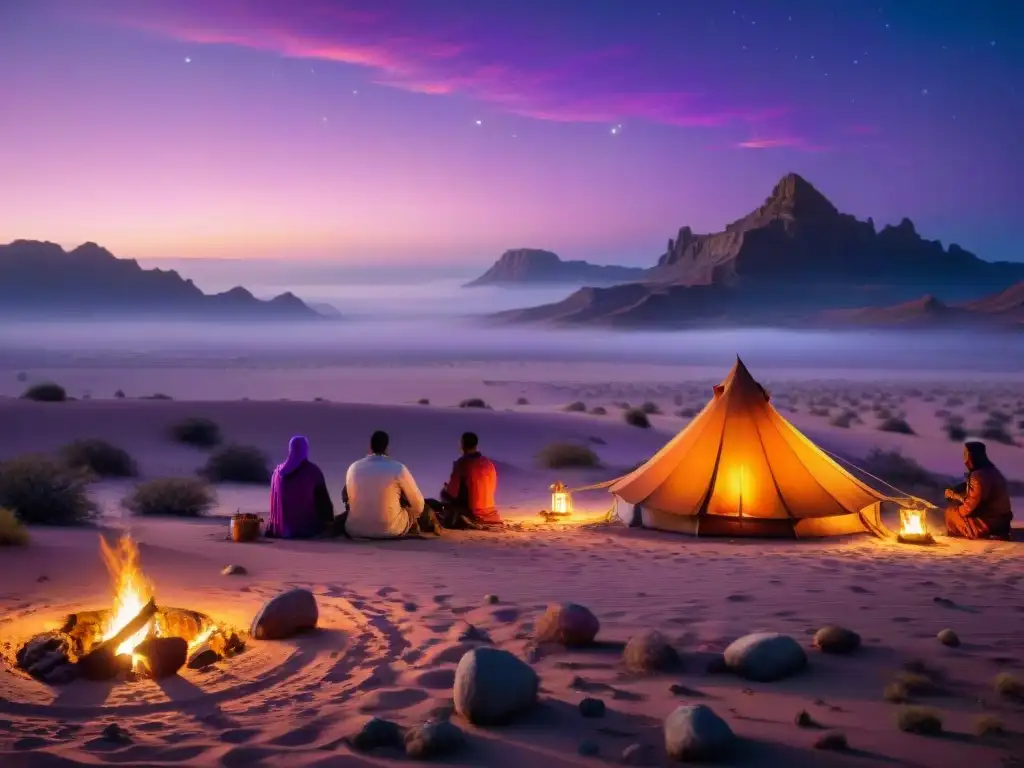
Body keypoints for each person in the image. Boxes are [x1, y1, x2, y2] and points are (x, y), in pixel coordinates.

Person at [342, 430, 441, 538]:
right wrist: (412, 515)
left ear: (370, 446)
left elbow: (346, 497)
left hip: (354, 529)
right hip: (390, 529)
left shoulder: (353, 468)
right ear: (387, 447)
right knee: (416, 507)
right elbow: (419, 504)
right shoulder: (398, 468)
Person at [426, 432, 503, 530]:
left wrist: (446, 488)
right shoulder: (488, 463)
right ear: (476, 445)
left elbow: (452, 493)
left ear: (462, 445)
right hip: (489, 509)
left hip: (473, 511)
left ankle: (453, 515)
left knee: (444, 493)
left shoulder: (462, 463)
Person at [266, 435, 335, 539]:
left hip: (278, 529)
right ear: (306, 450)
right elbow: (324, 502)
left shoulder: (277, 472)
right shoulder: (313, 471)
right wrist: (330, 521)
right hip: (306, 530)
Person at [943, 441, 1013, 540]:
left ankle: (963, 534)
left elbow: (970, 506)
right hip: (1002, 521)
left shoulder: (977, 476)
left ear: (972, 456)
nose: (964, 457)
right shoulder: (992, 471)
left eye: (965, 454)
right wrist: (957, 494)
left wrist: (956, 508)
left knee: (951, 513)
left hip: (989, 523)